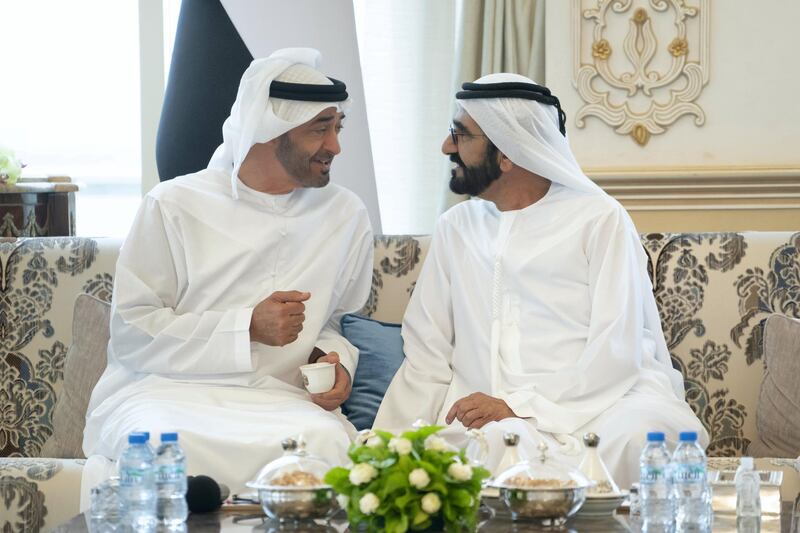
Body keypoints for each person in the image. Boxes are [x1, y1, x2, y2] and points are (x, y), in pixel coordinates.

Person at [374, 73, 707, 488]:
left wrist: (522, 406)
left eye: (460, 136)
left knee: (640, 437)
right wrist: (387, 441)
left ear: (508, 152)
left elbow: (616, 347)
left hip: (603, 402)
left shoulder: (598, 218)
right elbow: (427, 350)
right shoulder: (456, 227)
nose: (447, 147)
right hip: (490, 414)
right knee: (494, 443)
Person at [81, 48, 374, 502]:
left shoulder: (345, 213)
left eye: (338, 127)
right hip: (169, 393)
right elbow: (133, 333)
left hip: (282, 400)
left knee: (328, 446)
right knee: (164, 447)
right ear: (269, 129)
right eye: (321, 129)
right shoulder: (174, 205)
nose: (335, 146)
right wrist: (247, 327)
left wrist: (333, 361)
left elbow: (336, 322)